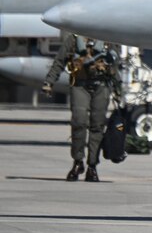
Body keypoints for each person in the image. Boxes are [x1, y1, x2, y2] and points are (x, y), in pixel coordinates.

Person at [42, 33, 121, 182]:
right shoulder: (73, 38)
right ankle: (78, 162)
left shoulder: (108, 38)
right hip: (80, 85)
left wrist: (119, 89)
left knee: (97, 126)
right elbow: (60, 61)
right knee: (78, 122)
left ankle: (92, 166)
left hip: (101, 86)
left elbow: (115, 64)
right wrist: (49, 82)